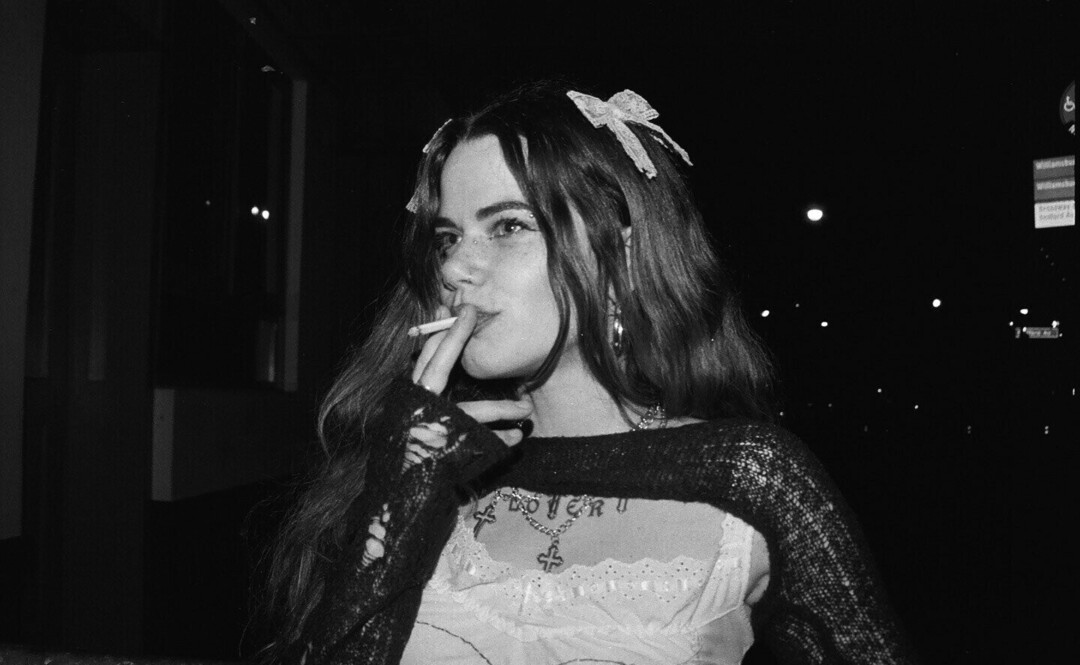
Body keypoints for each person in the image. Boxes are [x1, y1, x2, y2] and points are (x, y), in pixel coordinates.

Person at [260, 82, 917, 664]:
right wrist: (398, 495)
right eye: (447, 237)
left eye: (508, 226)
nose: (455, 268)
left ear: (618, 254)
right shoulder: (421, 463)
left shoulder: (752, 479)